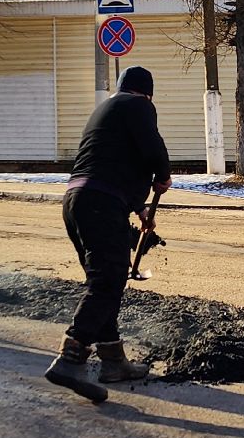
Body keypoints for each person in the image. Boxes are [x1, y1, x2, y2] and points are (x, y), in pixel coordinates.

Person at [45, 65, 171, 389]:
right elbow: (152, 146)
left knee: (104, 281)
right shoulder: (138, 105)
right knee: (108, 283)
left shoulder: (106, 110)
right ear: (147, 93)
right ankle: (70, 358)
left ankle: (113, 361)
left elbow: (112, 163)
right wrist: (163, 175)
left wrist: (139, 206)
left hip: (77, 201)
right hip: (100, 204)